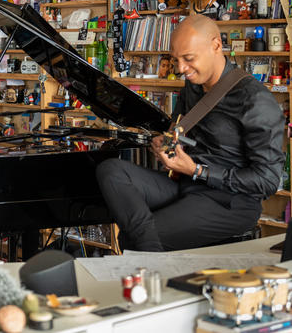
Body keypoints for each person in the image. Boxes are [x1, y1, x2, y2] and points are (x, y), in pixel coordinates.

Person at [96, 14, 285, 251]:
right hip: (185, 184)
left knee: (131, 239)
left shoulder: (256, 101)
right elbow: (179, 132)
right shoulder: (193, 86)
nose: (181, 69)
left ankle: (143, 246)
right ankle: (147, 245)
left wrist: (197, 170)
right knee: (110, 170)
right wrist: (165, 144)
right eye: (176, 60)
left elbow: (267, 181)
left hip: (230, 202)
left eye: (188, 58)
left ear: (216, 45)